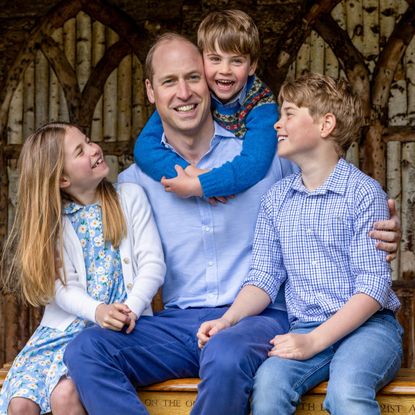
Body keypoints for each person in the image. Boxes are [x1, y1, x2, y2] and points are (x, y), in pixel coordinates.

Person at [64, 35, 401, 415]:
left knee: (226, 354)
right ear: (150, 91)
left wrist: (387, 224)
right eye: (169, 81)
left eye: (193, 77)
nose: (184, 92)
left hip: (260, 318)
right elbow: (79, 227)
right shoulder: (133, 183)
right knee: (86, 349)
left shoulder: (266, 157)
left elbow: (328, 186)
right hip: (179, 324)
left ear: (209, 82)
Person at [197, 73, 403, 415]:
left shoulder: (363, 193)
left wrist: (314, 342)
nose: (278, 123)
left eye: (289, 113)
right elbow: (263, 277)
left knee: (347, 391)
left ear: (325, 124)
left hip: (369, 329)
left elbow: (374, 286)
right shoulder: (276, 199)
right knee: (268, 387)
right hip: (306, 326)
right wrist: (227, 320)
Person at [0, 122, 165, 415]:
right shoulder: (54, 223)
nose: (94, 149)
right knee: (20, 405)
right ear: (63, 179)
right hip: (60, 334)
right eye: (80, 150)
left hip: (120, 329)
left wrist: (130, 309)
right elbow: (62, 288)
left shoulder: (130, 198)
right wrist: (98, 311)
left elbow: (153, 264)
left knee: (64, 396)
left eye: (88, 141)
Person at [134, 10, 278, 201]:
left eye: (236, 61)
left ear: (252, 66)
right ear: (201, 60)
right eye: (215, 59)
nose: (224, 70)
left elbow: (255, 163)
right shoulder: (197, 93)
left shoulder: (262, 104)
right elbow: (144, 148)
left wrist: (203, 185)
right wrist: (189, 172)